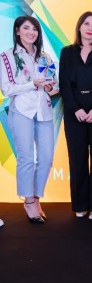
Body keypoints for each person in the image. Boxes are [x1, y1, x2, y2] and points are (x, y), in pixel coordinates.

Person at [0, 16, 58, 223]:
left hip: (44, 111)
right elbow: (7, 89)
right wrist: (32, 84)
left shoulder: (45, 57)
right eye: (26, 28)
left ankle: (35, 196)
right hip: (22, 111)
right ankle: (29, 201)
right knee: (26, 158)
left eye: (34, 29)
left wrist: (51, 87)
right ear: (17, 31)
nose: (31, 32)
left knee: (46, 158)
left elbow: (54, 85)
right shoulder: (6, 56)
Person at [59, 11, 92, 220]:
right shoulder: (66, 52)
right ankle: (80, 204)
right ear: (79, 26)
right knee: (78, 159)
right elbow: (64, 84)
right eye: (87, 23)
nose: (91, 28)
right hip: (75, 113)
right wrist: (76, 109)